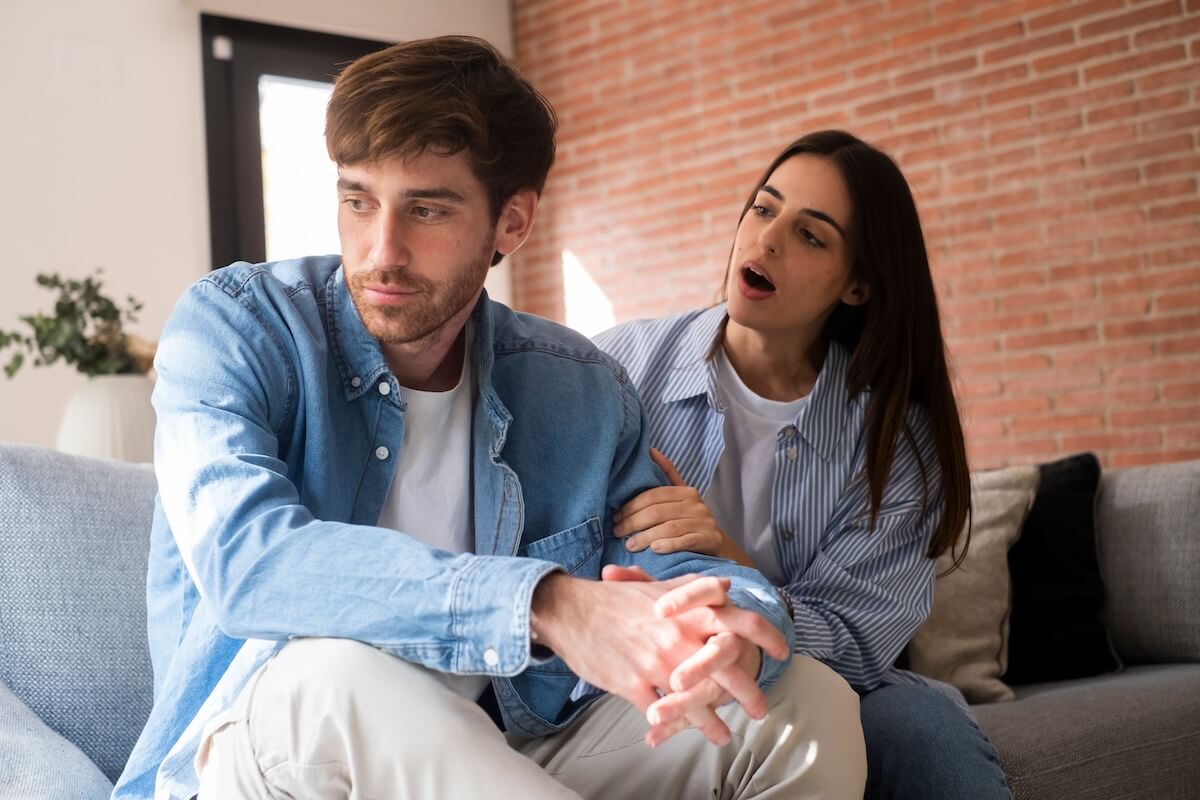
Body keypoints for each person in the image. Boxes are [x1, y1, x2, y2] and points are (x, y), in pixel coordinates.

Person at [113, 39, 868, 800]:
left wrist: (729, 635)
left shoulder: (577, 389)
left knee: (804, 704)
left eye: (427, 209)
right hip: (271, 750)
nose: (382, 251)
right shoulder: (236, 327)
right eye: (357, 199)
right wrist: (546, 603)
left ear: (511, 222)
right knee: (341, 669)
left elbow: (681, 576)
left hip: (498, 754)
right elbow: (250, 565)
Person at [595, 130, 1013, 800]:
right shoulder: (618, 368)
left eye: (810, 235)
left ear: (857, 286)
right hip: (639, 670)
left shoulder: (893, 442)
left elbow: (857, 641)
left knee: (920, 728)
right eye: (763, 209)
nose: (765, 241)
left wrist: (729, 562)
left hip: (826, 677)